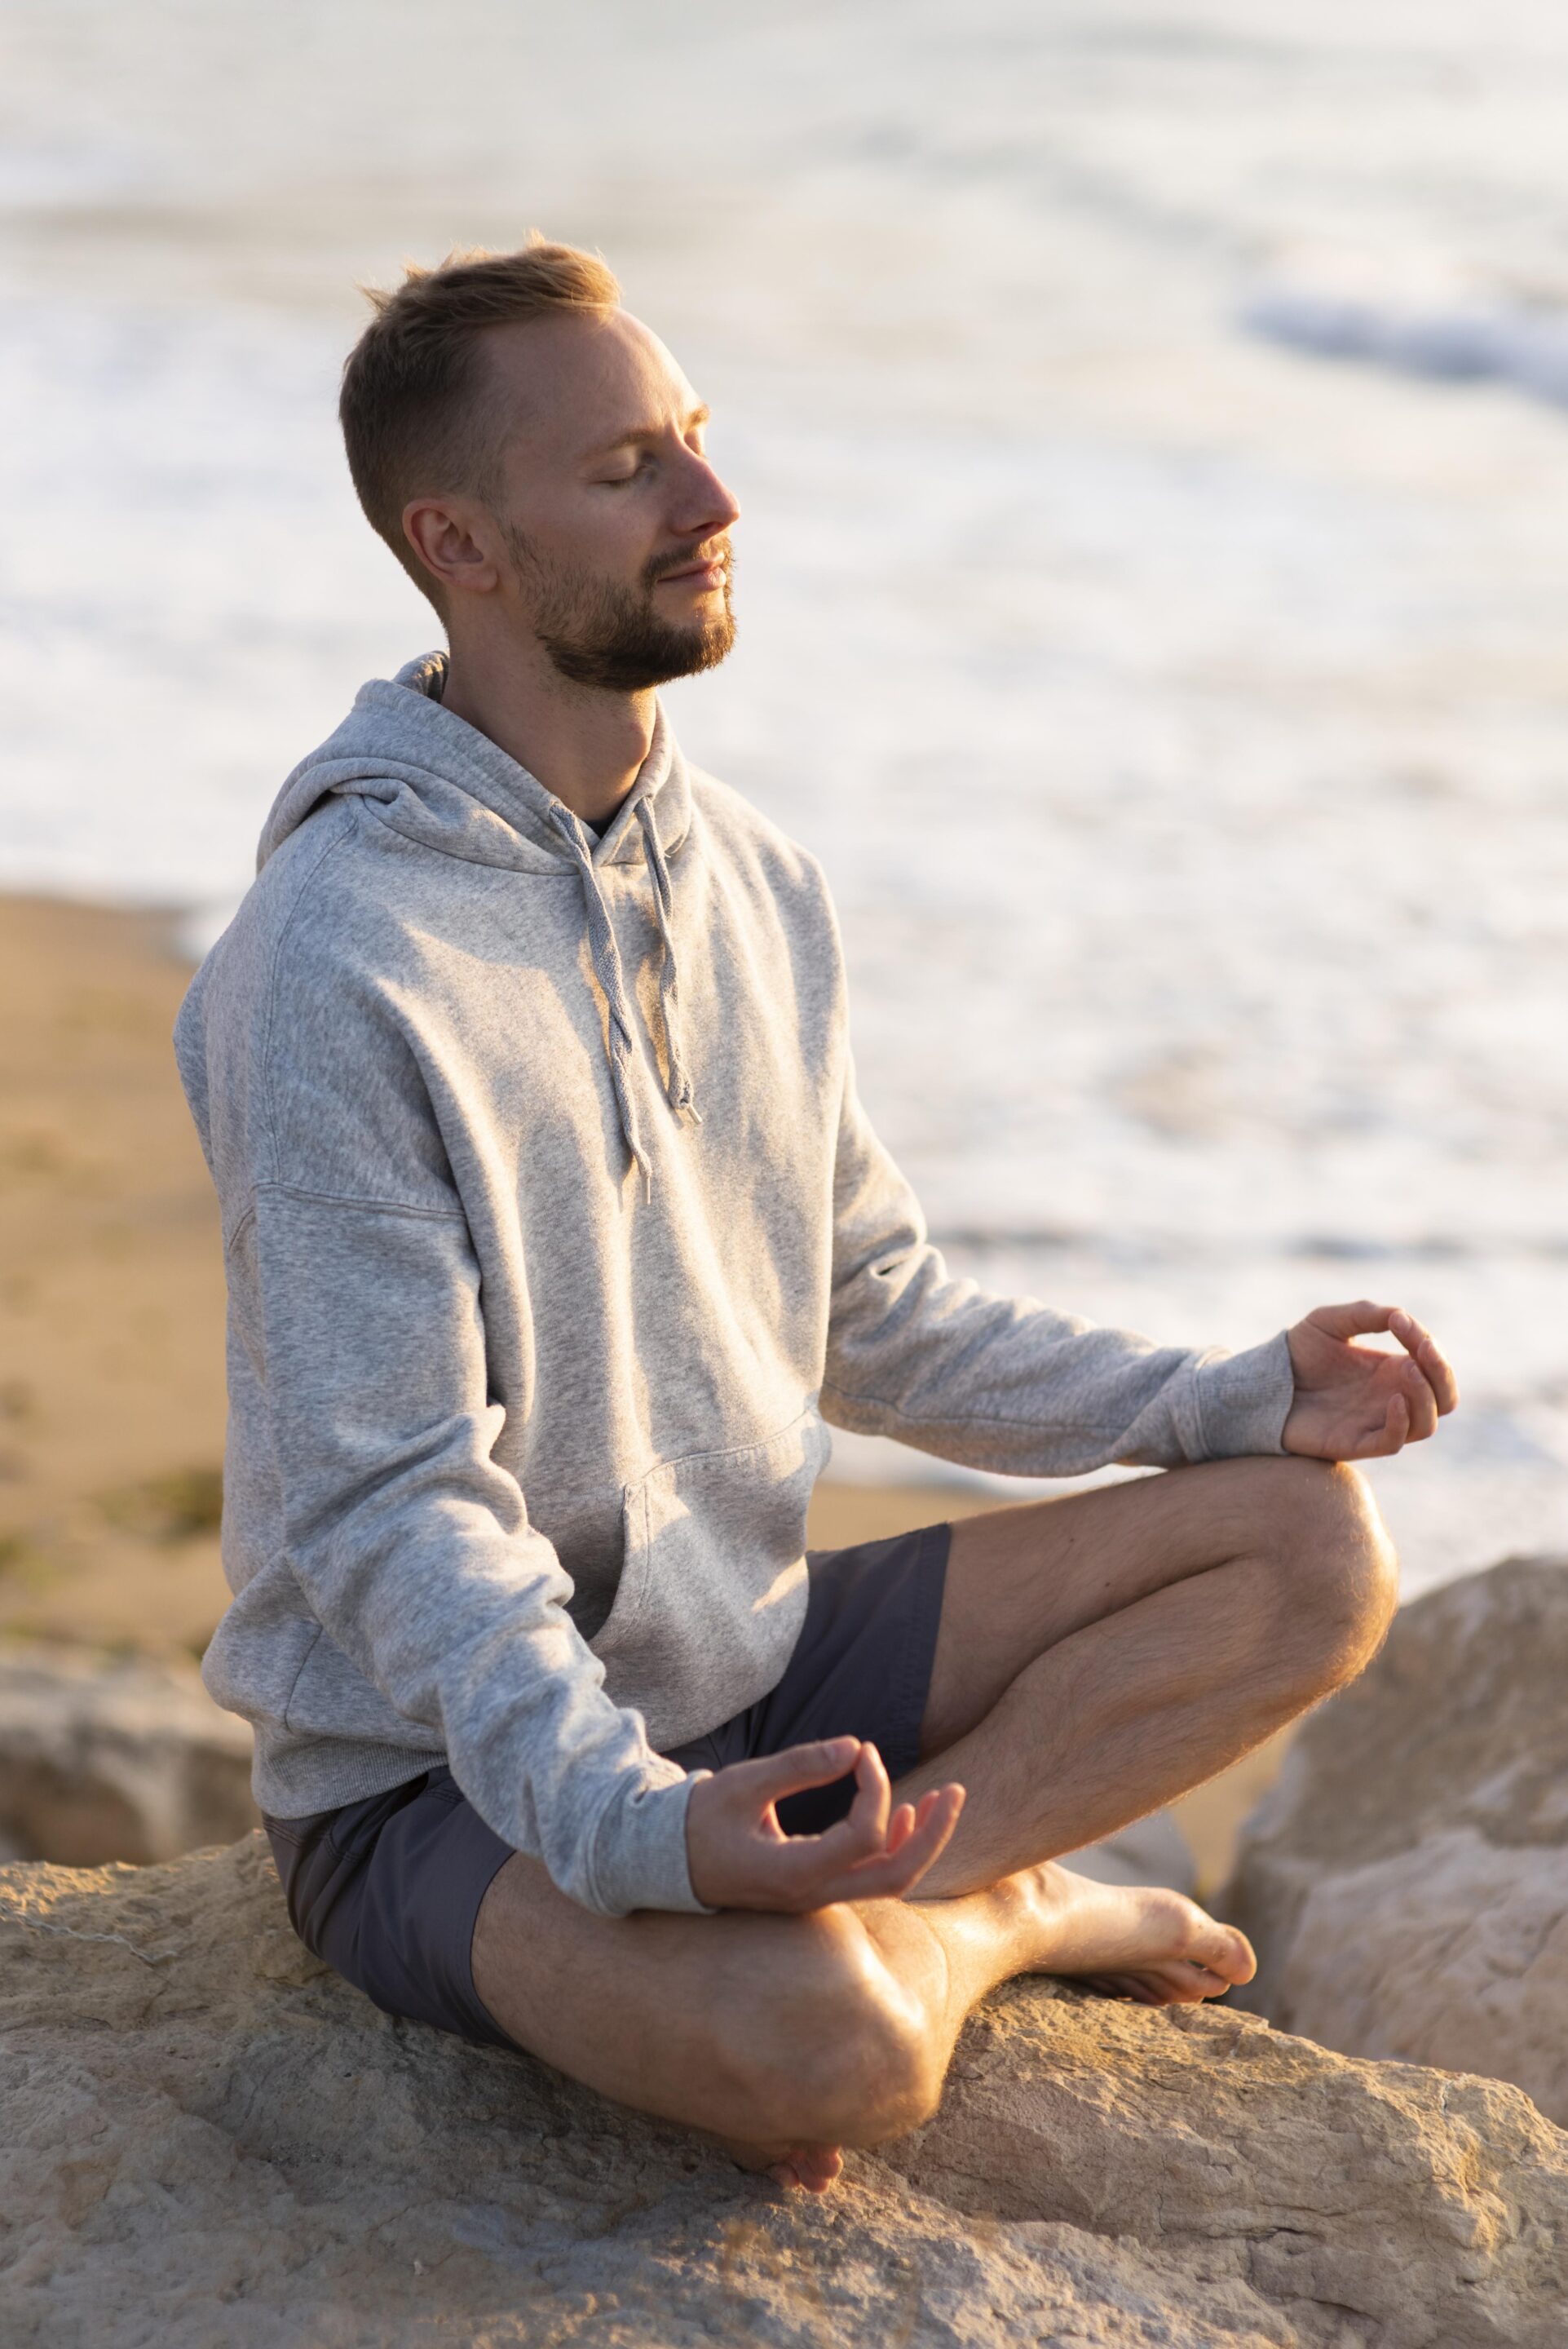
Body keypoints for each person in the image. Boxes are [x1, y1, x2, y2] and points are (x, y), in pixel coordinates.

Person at [174, 238, 1458, 2194]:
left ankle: (930, 1887)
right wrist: (633, 1833)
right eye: (626, 471)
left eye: (692, 437)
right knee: (834, 2053)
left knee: (1308, 1550)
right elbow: (386, 1513)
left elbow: (869, 1309)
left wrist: (1222, 1398)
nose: (714, 501)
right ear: (460, 544)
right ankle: (1003, 1917)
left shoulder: (754, 882)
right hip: (440, 1775)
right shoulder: (338, 960)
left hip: (748, 1661)